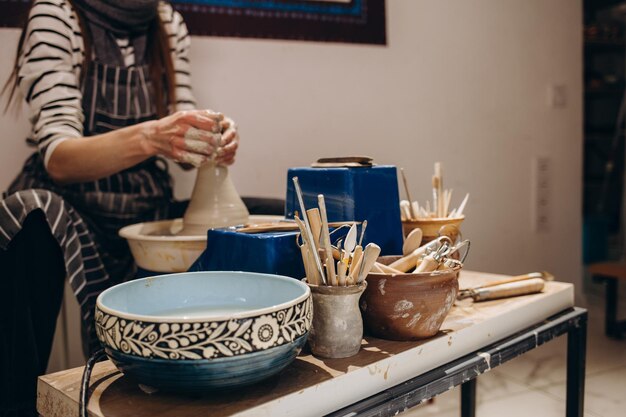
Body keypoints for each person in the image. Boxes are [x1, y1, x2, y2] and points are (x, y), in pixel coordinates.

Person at [0, 1, 240, 415]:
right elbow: (59, 156)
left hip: (142, 206)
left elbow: (180, 132)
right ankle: (18, 403)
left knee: (259, 221)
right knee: (29, 218)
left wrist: (205, 137)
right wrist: (151, 137)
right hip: (71, 205)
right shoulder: (57, 14)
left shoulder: (166, 22)